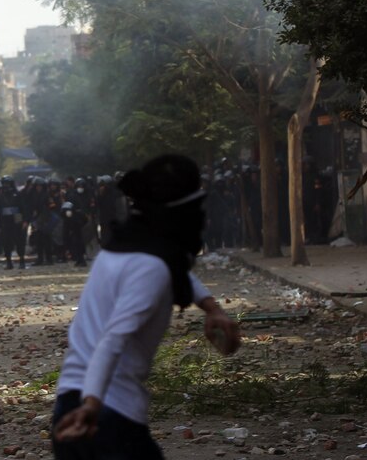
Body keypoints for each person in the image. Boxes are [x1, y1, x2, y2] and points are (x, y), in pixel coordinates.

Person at [52, 154, 241, 460]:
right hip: (106, 413)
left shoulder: (119, 251)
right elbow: (112, 339)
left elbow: (176, 270)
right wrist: (92, 406)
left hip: (69, 405)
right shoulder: (152, 267)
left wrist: (211, 308)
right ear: (183, 214)